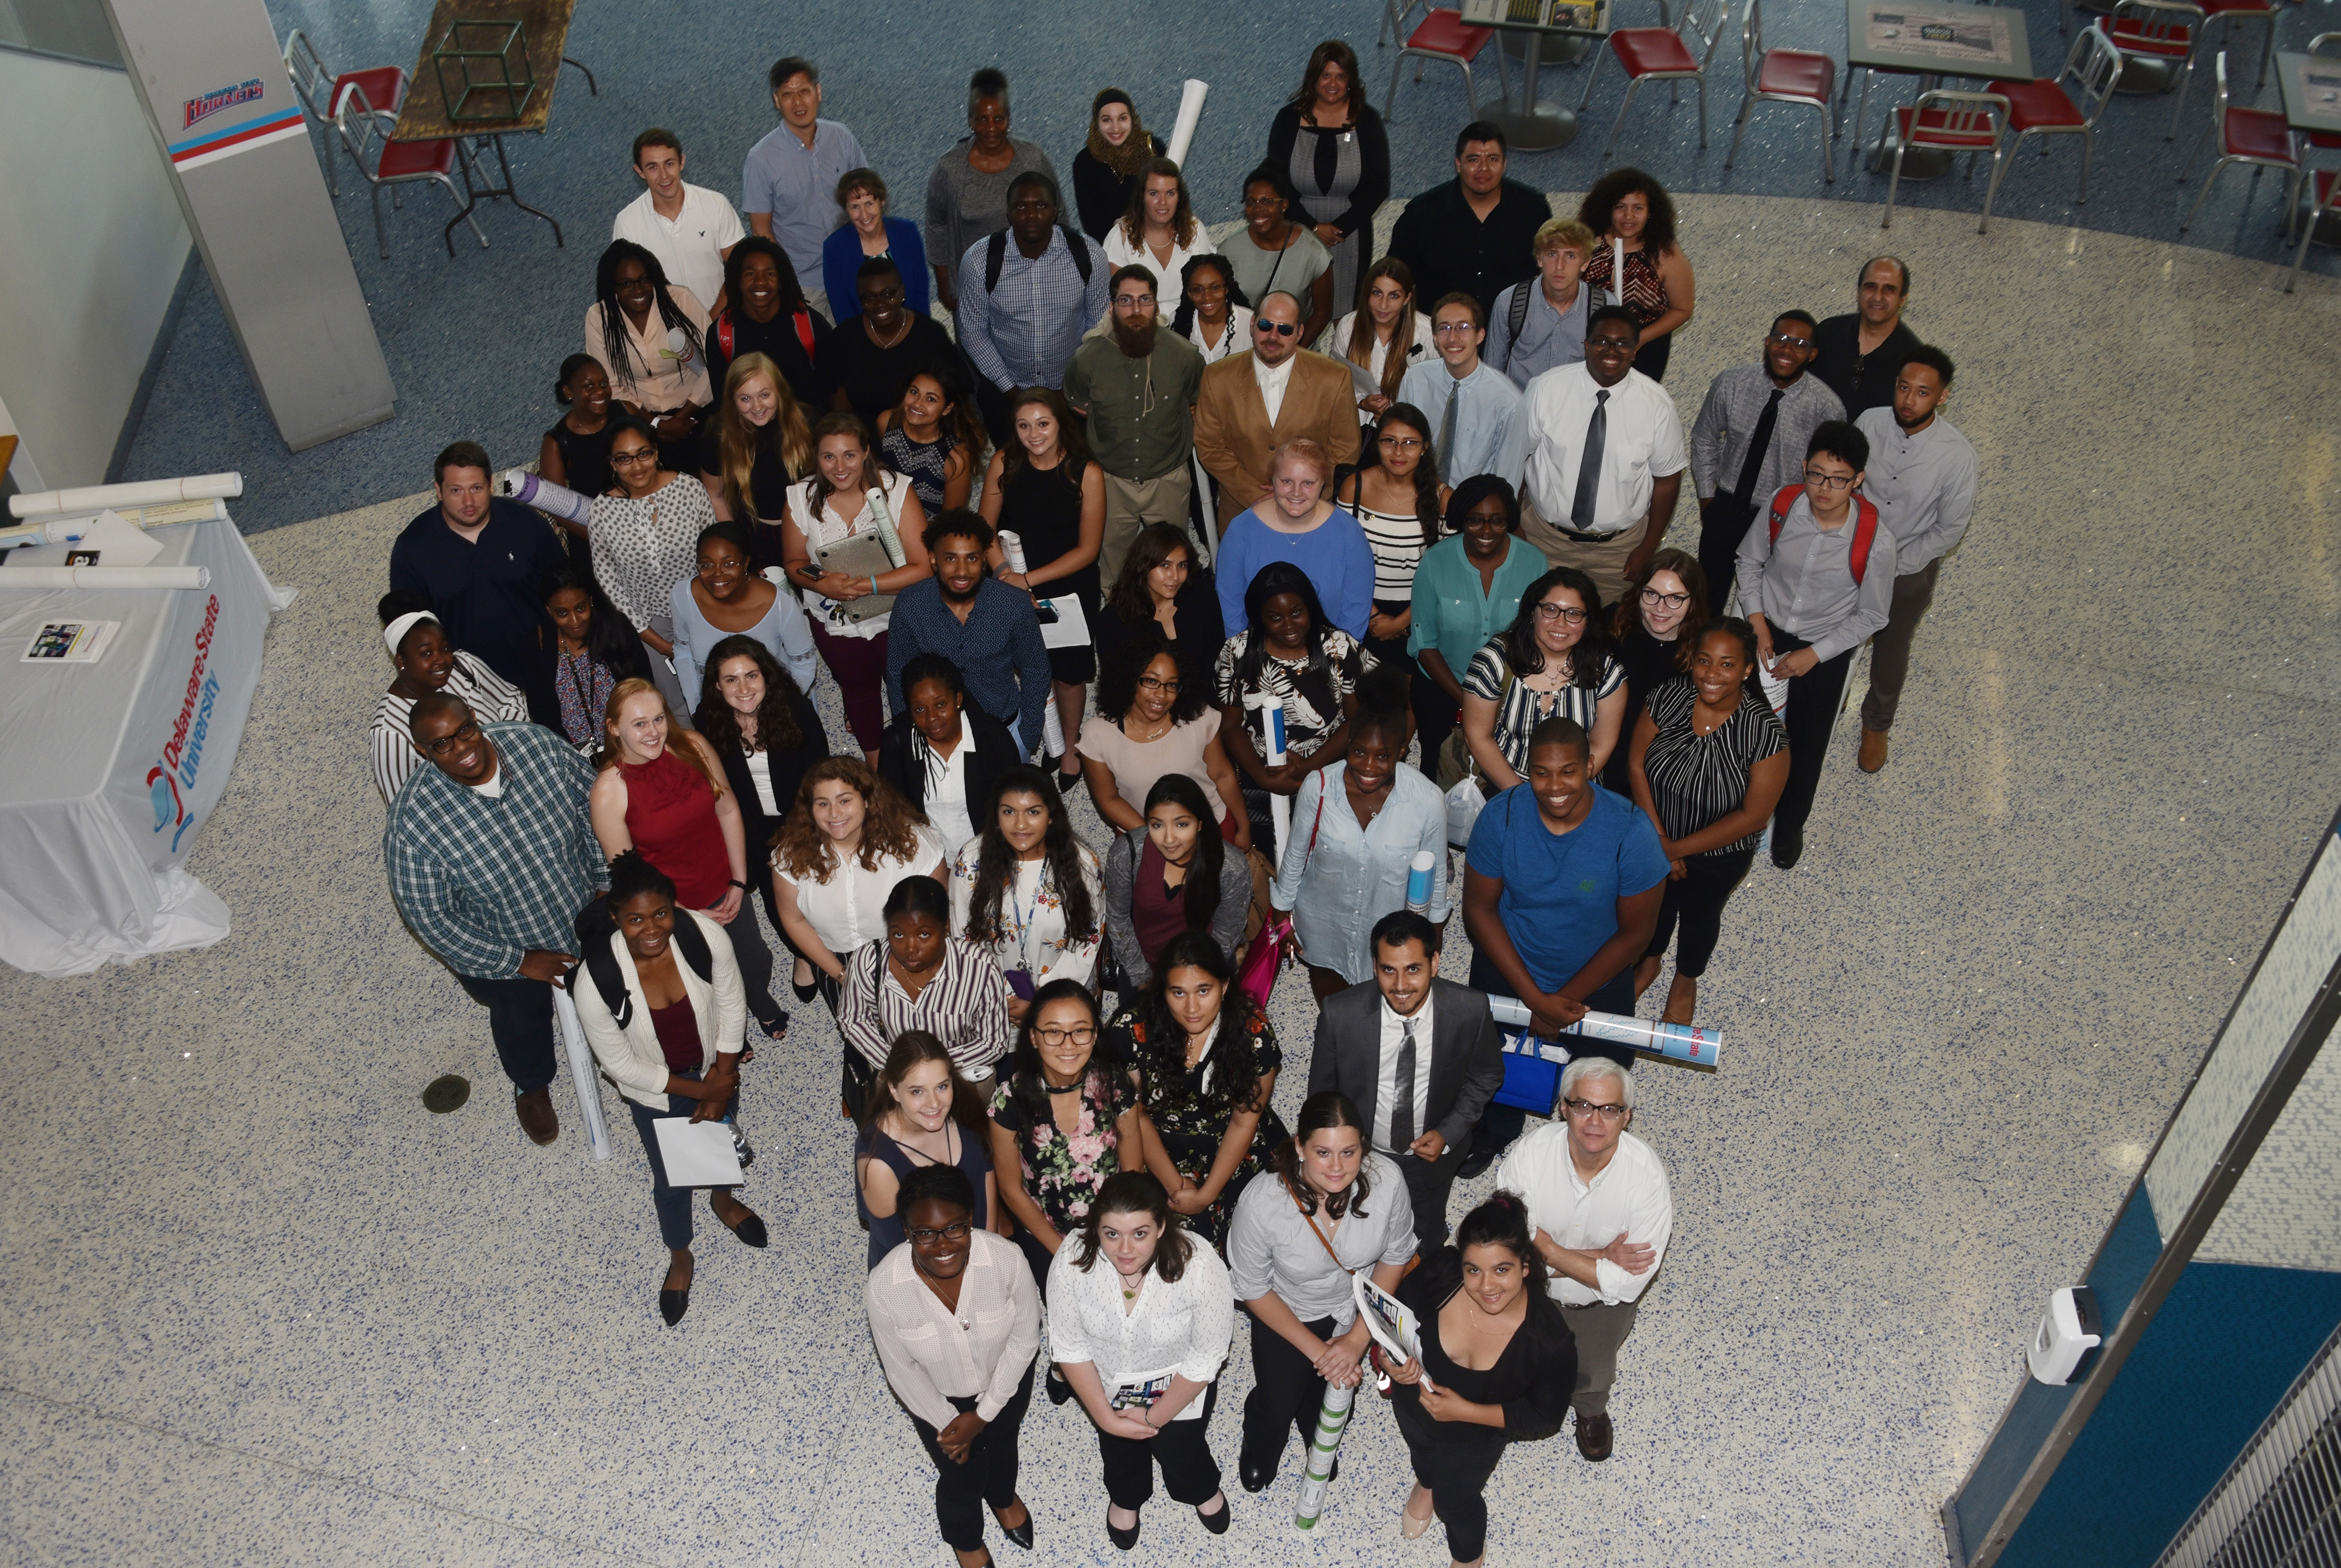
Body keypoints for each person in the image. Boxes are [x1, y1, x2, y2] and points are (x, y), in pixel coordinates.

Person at [384, 695, 605, 1144]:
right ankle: (532, 1083)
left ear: (476, 719)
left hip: (586, 905)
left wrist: (604, 883)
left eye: (464, 729)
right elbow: (433, 920)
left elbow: (594, 806)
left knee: (621, 981)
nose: (460, 746)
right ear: (424, 752)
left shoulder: (539, 747)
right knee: (520, 1014)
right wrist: (518, 961)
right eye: (441, 744)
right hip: (504, 947)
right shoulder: (413, 826)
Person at [1460, 716, 1668, 1175]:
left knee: (1600, 1087)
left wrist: (1561, 1003)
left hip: (1596, 979)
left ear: (1591, 764)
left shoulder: (1630, 832)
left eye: (1569, 770)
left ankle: (1587, 1155)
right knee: (1488, 1068)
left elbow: (1636, 934)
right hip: (1511, 968)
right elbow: (1479, 911)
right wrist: (1536, 1001)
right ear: (1527, 769)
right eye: (1541, 772)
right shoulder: (1502, 816)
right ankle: (1495, 1128)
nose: (1554, 786)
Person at [568, 850, 764, 1326]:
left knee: (720, 1140)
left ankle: (723, 1201)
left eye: (660, 913)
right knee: (672, 1178)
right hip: (659, 1090)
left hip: (716, 1067)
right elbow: (621, 1066)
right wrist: (703, 1094)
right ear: (616, 918)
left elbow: (732, 1004)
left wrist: (722, 1074)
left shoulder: (703, 935)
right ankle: (681, 1255)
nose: (651, 928)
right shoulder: (596, 983)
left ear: (674, 907)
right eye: (634, 919)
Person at [1224, 1090, 1415, 1492]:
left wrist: (1357, 1339)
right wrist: (1323, 1352)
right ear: (1299, 1146)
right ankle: (1261, 1442)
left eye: (1349, 1152)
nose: (1337, 1167)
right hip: (1287, 1309)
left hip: (1355, 1305)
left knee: (1332, 1400)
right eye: (1323, 1152)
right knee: (1278, 1401)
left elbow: (1396, 1254)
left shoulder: (1388, 1181)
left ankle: (1318, 1433)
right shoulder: (1261, 1203)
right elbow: (1253, 1288)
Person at [1495, 1056, 1673, 1464]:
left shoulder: (1646, 1179)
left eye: (1610, 1109)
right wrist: (1601, 1257)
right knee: (1514, 1353)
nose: (1596, 1120)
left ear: (1627, 1117)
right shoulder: (1531, 1155)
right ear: (1564, 1107)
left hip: (1599, 1306)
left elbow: (1627, 1283)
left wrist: (1550, 1251)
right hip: (1527, 1291)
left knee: (1592, 1368)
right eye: (1584, 1106)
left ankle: (1590, 1411)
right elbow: (1507, 1247)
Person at [1735, 420, 1894, 869]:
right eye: (1816, 474)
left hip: (1825, 645)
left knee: (1805, 744)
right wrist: (1757, 620)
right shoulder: (1783, 505)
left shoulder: (1876, 540)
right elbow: (1749, 561)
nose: (1825, 488)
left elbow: (1873, 614)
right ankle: (1740, 815)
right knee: (1746, 727)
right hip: (1766, 629)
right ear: (1804, 467)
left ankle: (1789, 826)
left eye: (1839, 479)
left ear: (1858, 480)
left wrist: (1813, 655)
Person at [864, 1163, 1041, 1568]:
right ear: (907, 1232)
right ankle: (964, 1538)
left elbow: (1025, 1338)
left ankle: (1002, 1496)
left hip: (1005, 1382)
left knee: (1004, 1444)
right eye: (924, 1232)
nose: (943, 1244)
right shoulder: (885, 1288)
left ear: (971, 1220)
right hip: (938, 1403)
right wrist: (949, 1422)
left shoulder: (1006, 1260)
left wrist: (984, 1413)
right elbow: (902, 1370)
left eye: (955, 1228)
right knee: (962, 1477)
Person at [590, 679, 788, 1039]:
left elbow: (727, 809)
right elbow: (632, 879)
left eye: (659, 719)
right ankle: (730, 1033)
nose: (653, 732)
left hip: (727, 885)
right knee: (704, 974)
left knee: (754, 960)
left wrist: (740, 882)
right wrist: (684, 914)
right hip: (673, 908)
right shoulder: (608, 793)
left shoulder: (693, 746)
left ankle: (758, 999)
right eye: (639, 724)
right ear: (614, 728)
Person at [1048, 1171, 1237, 1548]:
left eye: (1140, 1233)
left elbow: (1206, 1356)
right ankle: (1126, 1496)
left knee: (1182, 1446)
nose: (1125, 1250)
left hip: (1181, 1384)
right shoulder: (1072, 1258)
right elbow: (1070, 1348)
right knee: (1118, 1448)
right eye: (1111, 1234)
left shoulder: (1199, 1265)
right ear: (1096, 1228)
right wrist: (1105, 1418)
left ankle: (1198, 1487)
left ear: (1161, 1227)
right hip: (1107, 1382)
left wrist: (1154, 1418)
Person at [1385, 1194, 1577, 1561]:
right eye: (1473, 1270)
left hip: (1475, 1436)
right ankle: (1425, 1482)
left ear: (1525, 1266)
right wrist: (1389, 1360)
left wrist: (1465, 1411)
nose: (1487, 1286)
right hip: (1411, 1404)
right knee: (1421, 1454)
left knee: (1456, 1502)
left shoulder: (1549, 1340)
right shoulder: (1442, 1272)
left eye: (1501, 1270)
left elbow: (1545, 1417)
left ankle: (1469, 1554)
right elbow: (1395, 1320)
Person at [1306, 910, 1501, 1253]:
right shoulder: (1340, 1014)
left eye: (1413, 969)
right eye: (1388, 970)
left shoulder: (1468, 1010)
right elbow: (1322, 1094)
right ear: (1375, 966)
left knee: (1423, 1233)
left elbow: (1486, 1075)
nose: (1400, 986)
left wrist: (1449, 1132)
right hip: (1361, 1156)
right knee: (1359, 1231)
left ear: (1435, 962)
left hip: (1430, 1161)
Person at [1626, 618, 1787, 1023]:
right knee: (1653, 905)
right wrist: (1659, 838)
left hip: (1718, 851)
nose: (1711, 674)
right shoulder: (1668, 695)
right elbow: (1636, 763)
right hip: (1655, 829)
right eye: (1704, 660)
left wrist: (1675, 850)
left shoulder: (1765, 734)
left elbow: (1754, 817)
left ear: (1748, 669)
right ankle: (1650, 960)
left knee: (1700, 914)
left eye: (1727, 664)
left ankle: (1687, 976)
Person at [1271, 678, 1450, 998]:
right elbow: (1296, 856)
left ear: (1402, 751)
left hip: (1388, 937)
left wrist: (1429, 948)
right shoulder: (1319, 787)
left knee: (1379, 1016)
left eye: (1383, 756)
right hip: (1323, 925)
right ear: (1348, 742)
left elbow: (1435, 885)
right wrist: (1282, 916)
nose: (1368, 766)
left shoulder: (1428, 801)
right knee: (1334, 1011)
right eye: (1358, 752)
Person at [1115, 931, 1289, 1246]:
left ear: (1224, 987)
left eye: (1204, 990)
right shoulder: (1132, 1027)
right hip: (1157, 1147)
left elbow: (1244, 1120)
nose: (1191, 1007)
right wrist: (1175, 1184)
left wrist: (1207, 1193)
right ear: (1163, 990)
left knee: (1265, 1236)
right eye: (1178, 993)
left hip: (1233, 1144)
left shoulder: (1254, 1032)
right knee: (1160, 1245)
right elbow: (1135, 1115)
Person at [781, 411, 933, 760]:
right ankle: (878, 771)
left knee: (907, 688)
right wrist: (822, 584)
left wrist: (865, 586)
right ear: (816, 457)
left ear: (866, 452)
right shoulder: (800, 497)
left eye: (849, 455)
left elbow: (923, 567)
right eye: (828, 456)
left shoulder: (896, 490)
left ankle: (916, 761)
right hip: (835, 621)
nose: (839, 467)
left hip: (898, 616)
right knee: (858, 691)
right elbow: (793, 563)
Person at [1853, 345, 1975, 774]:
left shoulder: (1957, 456)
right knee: (1831, 629)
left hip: (1909, 566)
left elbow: (1949, 530)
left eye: (1923, 392)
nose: (1909, 400)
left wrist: (1893, 563)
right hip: (1852, 550)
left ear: (1942, 397)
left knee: (1891, 647)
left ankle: (1877, 725)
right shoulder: (1869, 421)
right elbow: (1848, 481)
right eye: (1904, 388)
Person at [1516, 306, 1688, 605]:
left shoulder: (1657, 405)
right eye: (1602, 341)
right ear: (1586, 346)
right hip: (1545, 540)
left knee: (1607, 631)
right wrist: (1514, 526)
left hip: (1619, 551)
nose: (1612, 350)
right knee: (1539, 621)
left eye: (1623, 343)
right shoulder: (1546, 389)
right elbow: (1516, 460)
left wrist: (1648, 547)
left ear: (1635, 350)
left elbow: (1668, 480)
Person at [979, 386, 1109, 777]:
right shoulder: (1004, 461)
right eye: (1023, 426)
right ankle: (1037, 736)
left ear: (1060, 424)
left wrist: (1028, 579)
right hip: (1009, 579)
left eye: (1042, 424)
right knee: (1030, 667)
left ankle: (1070, 747)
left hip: (1067, 586)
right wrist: (1003, 572)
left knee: (1069, 674)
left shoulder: (1087, 472)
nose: (1033, 434)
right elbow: (983, 527)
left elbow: (1088, 549)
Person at [390, 442, 569, 726]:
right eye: (456, 491)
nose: (468, 502)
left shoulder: (524, 524)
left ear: (491, 484)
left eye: (476, 488)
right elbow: (408, 629)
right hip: (468, 687)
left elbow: (565, 587)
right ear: (437, 490)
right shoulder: (412, 548)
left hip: (544, 669)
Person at [988, 981, 1147, 1286]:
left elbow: (1133, 1171)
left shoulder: (1113, 1083)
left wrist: (1118, 1237)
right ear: (1033, 1037)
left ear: (1095, 1034)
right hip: (1046, 1232)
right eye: (1053, 1031)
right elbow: (1011, 1190)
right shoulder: (1009, 1099)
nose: (1069, 1044)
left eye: (1080, 1030)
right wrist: (1065, 1254)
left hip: (1113, 1224)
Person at [1688, 310, 1843, 617]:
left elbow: (1828, 474)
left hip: (1781, 521)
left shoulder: (1826, 407)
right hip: (1725, 509)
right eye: (1781, 339)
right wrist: (1708, 498)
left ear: (1813, 354)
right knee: (1703, 605)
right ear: (1767, 342)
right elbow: (1704, 438)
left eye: (1799, 344)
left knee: (1760, 611)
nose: (1787, 349)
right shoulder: (1732, 383)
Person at [1216, 561, 1375, 855]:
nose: (1289, 625)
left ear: (1311, 608)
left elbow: (1357, 720)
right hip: (1260, 770)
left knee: (1330, 852)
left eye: (1297, 612)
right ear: (1260, 618)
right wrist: (1266, 778)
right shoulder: (1237, 652)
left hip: (1328, 767)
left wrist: (1307, 767)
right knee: (1268, 854)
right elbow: (1229, 726)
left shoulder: (1339, 648)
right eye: (1275, 617)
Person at [770, 757, 948, 1016]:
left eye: (844, 801)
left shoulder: (914, 844)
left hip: (909, 954)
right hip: (833, 958)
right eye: (823, 804)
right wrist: (843, 976)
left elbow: (938, 916)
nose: (834, 814)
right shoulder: (790, 857)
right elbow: (795, 921)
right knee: (857, 1031)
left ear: (866, 800)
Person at [692, 634, 827, 974]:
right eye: (731, 679)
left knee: (819, 891)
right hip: (752, 825)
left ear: (766, 675)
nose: (744, 688)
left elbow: (821, 777)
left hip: (804, 817)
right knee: (774, 896)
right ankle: (801, 952)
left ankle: (823, 944)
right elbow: (719, 797)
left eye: (751, 675)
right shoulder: (707, 722)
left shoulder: (797, 711)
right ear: (718, 686)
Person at [1063, 265, 1203, 593]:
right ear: (1111, 308)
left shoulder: (1184, 356)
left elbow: (1199, 401)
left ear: (1156, 306)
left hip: (1168, 480)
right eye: (1126, 301)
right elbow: (1076, 402)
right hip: (1111, 482)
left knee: (1172, 564)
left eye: (1145, 300)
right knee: (1114, 563)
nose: (1136, 310)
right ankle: (1120, 619)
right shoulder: (1087, 360)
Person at [1193, 293, 1363, 544]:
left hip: (1310, 517)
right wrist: (1253, 493)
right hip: (1242, 515)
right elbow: (1209, 446)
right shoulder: (1217, 377)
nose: (1273, 337)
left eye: (1285, 329)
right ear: (1252, 324)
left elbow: (1345, 449)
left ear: (1300, 332)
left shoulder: (1334, 378)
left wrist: (1303, 496)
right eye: (1265, 325)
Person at [956, 172, 1108, 444]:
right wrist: (1014, 392)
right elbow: (972, 332)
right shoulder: (980, 261)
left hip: (1071, 393)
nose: (1030, 214)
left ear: (1055, 211)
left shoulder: (1089, 255)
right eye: (1021, 206)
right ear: (1009, 213)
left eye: (1040, 206)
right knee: (1015, 474)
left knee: (1075, 469)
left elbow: (1098, 326)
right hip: (1006, 393)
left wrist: (1071, 388)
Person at [885, 509, 1052, 755]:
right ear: (933, 559)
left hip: (1004, 729)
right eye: (951, 559)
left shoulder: (1013, 604)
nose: (962, 571)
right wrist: (911, 733)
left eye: (972, 558)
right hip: (937, 736)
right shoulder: (910, 605)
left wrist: (1027, 735)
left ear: (985, 558)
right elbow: (898, 675)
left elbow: (1036, 669)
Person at [839, 875, 1015, 1099]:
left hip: (962, 1083)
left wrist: (930, 1069)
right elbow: (852, 1019)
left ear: (946, 928)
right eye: (898, 934)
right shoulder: (868, 962)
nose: (910, 948)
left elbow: (994, 1043)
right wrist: (894, 1064)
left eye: (924, 934)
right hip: (898, 1079)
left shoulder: (980, 969)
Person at [950, 765, 1104, 1020]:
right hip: (993, 1002)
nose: (1020, 824)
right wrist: (1000, 995)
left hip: (1063, 1001)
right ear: (996, 815)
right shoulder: (971, 860)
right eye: (1009, 812)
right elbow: (963, 938)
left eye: (1033, 812)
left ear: (1051, 815)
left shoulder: (1083, 864)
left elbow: (1087, 941)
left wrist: (1042, 1001)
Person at [591, 416, 720, 718]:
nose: (636, 467)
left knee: (718, 693)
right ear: (612, 463)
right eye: (624, 459)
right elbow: (610, 582)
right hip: (648, 625)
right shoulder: (602, 511)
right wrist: (657, 642)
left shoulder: (689, 489)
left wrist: (711, 614)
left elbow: (712, 555)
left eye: (644, 454)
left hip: (703, 611)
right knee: (676, 705)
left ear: (656, 452)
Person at [1410, 476, 1547, 762]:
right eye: (1475, 520)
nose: (1486, 530)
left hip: (1512, 696)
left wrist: (1501, 702)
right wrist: (1469, 702)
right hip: (1443, 692)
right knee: (1440, 773)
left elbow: (1539, 637)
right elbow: (1425, 645)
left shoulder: (1535, 563)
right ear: (1461, 520)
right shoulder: (1434, 562)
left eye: (1497, 521)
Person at [1334, 407, 1448, 737]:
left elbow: (1444, 577)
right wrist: (1372, 615)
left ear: (1425, 447)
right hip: (1361, 607)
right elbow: (1343, 560)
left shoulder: (1441, 498)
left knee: (1408, 698)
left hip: (1419, 613)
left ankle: (1395, 759)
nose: (1399, 453)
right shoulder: (1354, 487)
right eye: (1390, 441)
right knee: (1356, 693)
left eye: (1410, 443)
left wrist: (1401, 622)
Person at [1461, 566, 1627, 789]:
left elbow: (1602, 742)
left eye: (1574, 614)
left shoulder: (1606, 670)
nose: (1561, 623)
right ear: (1532, 612)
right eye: (1550, 610)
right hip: (1503, 783)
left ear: (1588, 622)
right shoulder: (1495, 659)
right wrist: (1522, 796)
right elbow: (1478, 737)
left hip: (1577, 788)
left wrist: (1566, 787)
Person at [1080, 637, 1248, 849]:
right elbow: (1109, 799)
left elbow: (1223, 775)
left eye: (1171, 685)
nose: (1161, 695)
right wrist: (1158, 839)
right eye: (1151, 681)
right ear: (1130, 679)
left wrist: (1244, 827)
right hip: (1142, 837)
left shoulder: (1198, 717)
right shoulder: (1098, 733)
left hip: (1210, 833)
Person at [1263, 42, 1389, 321]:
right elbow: (1276, 183)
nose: (1333, 84)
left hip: (1351, 233)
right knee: (1295, 311)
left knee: (1348, 316)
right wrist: (1313, 228)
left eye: (1341, 76)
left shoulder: (1367, 121)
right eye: (1325, 75)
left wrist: (1339, 229)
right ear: (1313, 78)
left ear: (1351, 81)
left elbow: (1379, 186)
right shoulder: (1288, 120)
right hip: (1296, 228)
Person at [857, 1030, 999, 1270]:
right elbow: (900, 1254)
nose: (934, 1104)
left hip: (975, 1258)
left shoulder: (967, 1117)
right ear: (893, 1090)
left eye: (942, 1086)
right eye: (917, 1091)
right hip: (916, 1276)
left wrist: (986, 1266)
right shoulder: (879, 1164)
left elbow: (988, 1212)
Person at [1386, 122, 1552, 323]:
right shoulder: (1421, 214)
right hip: (1441, 331)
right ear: (1458, 164)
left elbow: (1552, 270)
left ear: (1504, 164)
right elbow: (1394, 278)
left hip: (1512, 327)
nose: (1483, 168)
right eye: (1473, 159)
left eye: (1493, 159)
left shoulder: (1534, 210)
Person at [1099, 774, 1254, 989]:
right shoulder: (1127, 854)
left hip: (1203, 967)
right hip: (1140, 965)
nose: (1169, 839)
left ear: (1200, 824)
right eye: (1157, 825)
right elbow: (1118, 918)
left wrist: (1194, 980)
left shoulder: (1229, 866)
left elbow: (1227, 932)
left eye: (1181, 824)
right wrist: (1143, 977)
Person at [926, 68, 1058, 315]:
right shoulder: (950, 169)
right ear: (970, 121)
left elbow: (1059, 219)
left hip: (1033, 286)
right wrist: (945, 287)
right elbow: (936, 226)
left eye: (999, 119)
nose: (991, 129)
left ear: (1009, 119)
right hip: (976, 290)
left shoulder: (1033, 160)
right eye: (981, 120)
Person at [369, 600, 530, 804]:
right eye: (427, 653)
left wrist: (507, 749)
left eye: (444, 648)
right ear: (401, 661)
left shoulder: (463, 666)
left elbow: (510, 700)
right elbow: (404, 804)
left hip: (519, 780)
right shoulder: (390, 732)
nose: (442, 660)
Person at [1211, 438, 1374, 639]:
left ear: (1323, 483)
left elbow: (1356, 610)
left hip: (1330, 656)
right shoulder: (1241, 531)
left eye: (1308, 483)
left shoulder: (1348, 533)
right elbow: (1230, 608)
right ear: (1272, 480)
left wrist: (1336, 658)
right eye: (1287, 481)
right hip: (1259, 654)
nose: (1296, 492)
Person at [742, 56, 864, 320]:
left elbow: (866, 199)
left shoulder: (841, 138)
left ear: (818, 93)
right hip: (804, 285)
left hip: (852, 270)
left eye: (804, 92)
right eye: (788, 95)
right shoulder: (761, 159)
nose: (798, 103)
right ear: (776, 101)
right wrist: (787, 286)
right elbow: (762, 231)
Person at [879, 653, 1022, 861]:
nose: (932, 718)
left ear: (958, 699)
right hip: (927, 863)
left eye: (940, 705)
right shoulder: (898, 744)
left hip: (989, 859)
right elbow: (889, 812)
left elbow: (1014, 806)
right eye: (920, 709)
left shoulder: (992, 737)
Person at [584, 239, 710, 471]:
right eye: (626, 284)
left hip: (695, 408)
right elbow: (609, 383)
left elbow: (714, 362)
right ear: (612, 286)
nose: (639, 290)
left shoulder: (681, 300)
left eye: (644, 280)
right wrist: (655, 424)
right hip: (639, 417)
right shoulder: (598, 318)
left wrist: (682, 417)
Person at [671, 520, 816, 702]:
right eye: (707, 565)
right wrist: (697, 707)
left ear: (746, 563)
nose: (718, 574)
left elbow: (804, 665)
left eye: (729, 564)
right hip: (717, 711)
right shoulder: (682, 596)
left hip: (777, 704)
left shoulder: (779, 604)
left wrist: (776, 710)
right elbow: (683, 653)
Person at [1602, 548, 1707, 795]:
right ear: (1639, 592)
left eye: (1675, 598)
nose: (1661, 608)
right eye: (1652, 594)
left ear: (1693, 601)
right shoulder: (1610, 624)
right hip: (1602, 759)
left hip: (1665, 777)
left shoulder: (1707, 650)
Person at [699, 351, 815, 575]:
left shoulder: (810, 422)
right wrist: (740, 547)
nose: (757, 406)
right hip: (754, 535)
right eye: (745, 398)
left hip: (809, 532)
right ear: (732, 400)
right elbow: (715, 495)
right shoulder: (718, 434)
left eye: (764, 395)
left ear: (779, 391)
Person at [1577, 169, 1695, 384]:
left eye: (1638, 208)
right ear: (1607, 209)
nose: (1628, 216)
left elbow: (1683, 309)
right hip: (1586, 345)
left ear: (1650, 212)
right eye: (1620, 207)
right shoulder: (1586, 244)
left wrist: (1638, 340)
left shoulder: (1666, 254)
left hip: (1645, 352)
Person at [1397, 293, 1526, 488]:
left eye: (1463, 327)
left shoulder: (1508, 402)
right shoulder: (1416, 379)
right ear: (1434, 338)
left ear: (1480, 335)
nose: (1453, 338)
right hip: (1415, 494)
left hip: (1473, 510)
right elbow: (1400, 447)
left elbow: (1507, 481)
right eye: (1444, 328)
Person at [612, 128, 742, 318]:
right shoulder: (627, 223)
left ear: (682, 162)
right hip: (666, 327)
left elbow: (739, 267)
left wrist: (712, 319)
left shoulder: (716, 205)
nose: (664, 176)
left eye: (669, 163)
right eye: (653, 167)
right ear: (639, 171)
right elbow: (630, 291)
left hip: (723, 317)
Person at [1095, 523, 1225, 705]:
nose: (1175, 577)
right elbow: (1118, 689)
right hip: (1147, 714)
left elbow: (1218, 659)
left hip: (1203, 706)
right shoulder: (1114, 620)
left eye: (1182, 566)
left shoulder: (1202, 596)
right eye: (1165, 565)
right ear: (1143, 566)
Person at [826, 258, 960, 430]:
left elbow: (953, 394)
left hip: (924, 436)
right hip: (865, 439)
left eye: (888, 294)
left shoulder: (930, 335)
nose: (880, 304)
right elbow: (840, 409)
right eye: (869, 297)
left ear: (902, 292)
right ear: (860, 301)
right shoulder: (843, 339)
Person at [704, 237, 831, 416]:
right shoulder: (722, 334)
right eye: (750, 274)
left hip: (806, 430)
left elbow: (831, 391)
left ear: (782, 280)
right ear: (737, 281)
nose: (761, 281)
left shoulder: (811, 325)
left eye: (770, 274)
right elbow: (723, 403)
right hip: (749, 433)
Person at [1487, 218, 1613, 389]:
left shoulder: (1605, 306)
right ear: (1539, 258)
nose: (1559, 266)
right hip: (1521, 404)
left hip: (1576, 407)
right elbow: (1492, 372)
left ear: (1585, 263)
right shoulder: (1509, 301)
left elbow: (1609, 371)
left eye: (1571, 256)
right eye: (1552, 254)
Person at [543, 560, 652, 751]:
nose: (574, 621)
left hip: (629, 746)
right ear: (548, 610)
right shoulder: (540, 646)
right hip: (573, 757)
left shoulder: (617, 630)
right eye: (562, 613)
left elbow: (645, 687)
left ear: (591, 600)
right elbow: (543, 713)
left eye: (580, 608)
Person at [1218, 169, 1334, 347]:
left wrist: (1293, 353)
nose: (1258, 209)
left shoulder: (1313, 251)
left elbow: (1322, 314)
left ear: (1284, 205)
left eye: (1267, 201)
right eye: (1251, 202)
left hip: (1297, 349)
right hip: (1245, 349)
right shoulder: (1229, 249)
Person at [1103, 158, 1216, 318]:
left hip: (1190, 324)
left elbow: (1206, 290)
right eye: (1154, 193)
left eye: (1170, 193)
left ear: (1179, 197)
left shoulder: (1195, 229)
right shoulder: (1119, 237)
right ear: (1142, 196)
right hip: (1140, 326)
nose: (1163, 202)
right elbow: (1119, 302)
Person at [1810, 255, 1920, 418]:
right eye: (1871, 287)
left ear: (1903, 299)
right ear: (1859, 291)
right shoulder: (1828, 333)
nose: (1877, 297)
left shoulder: (1914, 360)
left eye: (1889, 289)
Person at [1328, 258, 1431, 422]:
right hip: (1356, 422)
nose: (1383, 306)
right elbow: (1334, 379)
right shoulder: (1348, 326)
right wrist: (1361, 402)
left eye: (1394, 296)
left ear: (1407, 299)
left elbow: (1436, 390)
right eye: (1377, 293)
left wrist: (1396, 411)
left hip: (1408, 424)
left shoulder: (1426, 332)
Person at [822, 166, 931, 321]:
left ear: (882, 201)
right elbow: (842, 309)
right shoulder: (834, 248)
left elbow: (921, 293)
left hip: (910, 329)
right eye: (855, 207)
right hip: (863, 338)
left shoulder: (907, 232)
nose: (864, 214)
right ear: (846, 210)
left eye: (869, 203)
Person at [880, 360, 984, 517]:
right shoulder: (887, 422)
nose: (917, 404)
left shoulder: (955, 457)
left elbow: (950, 523)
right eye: (914, 392)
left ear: (947, 408)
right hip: (883, 520)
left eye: (931, 399)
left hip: (927, 535)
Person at [1071, 88, 1161, 241]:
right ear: (1097, 123)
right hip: (1114, 250)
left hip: (1159, 240)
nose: (1116, 128)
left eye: (1122, 119)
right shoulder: (1085, 162)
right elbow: (1090, 221)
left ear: (1132, 118)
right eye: (1107, 120)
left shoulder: (1153, 148)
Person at [538, 354, 615, 506]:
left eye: (604, 383)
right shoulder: (556, 443)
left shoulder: (626, 411)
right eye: (589, 386)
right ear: (568, 392)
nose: (600, 391)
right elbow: (558, 507)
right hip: (593, 524)